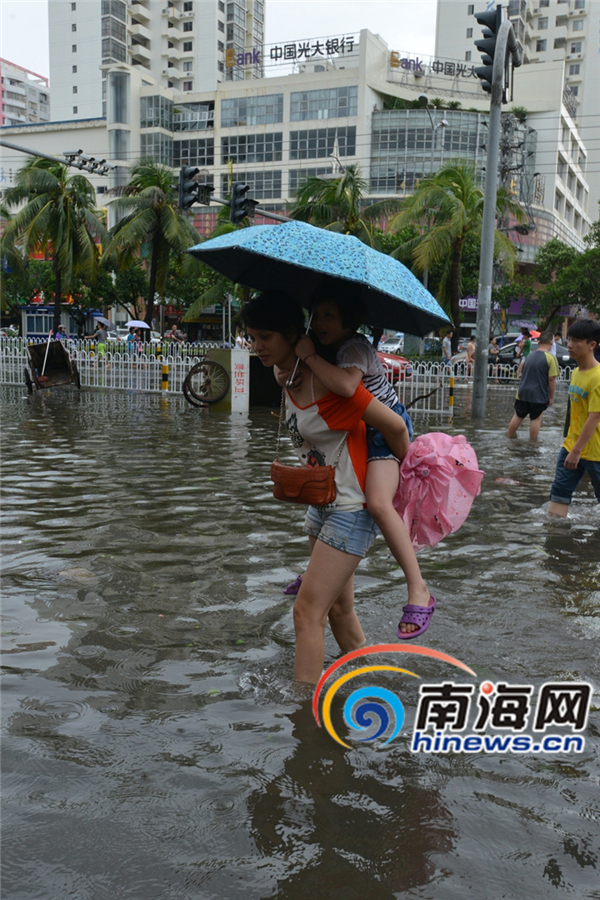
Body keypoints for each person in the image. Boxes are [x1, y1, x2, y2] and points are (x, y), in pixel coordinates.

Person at [242, 291, 435, 685]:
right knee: (337, 611)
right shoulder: (289, 375)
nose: (256, 346)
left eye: (265, 337)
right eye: (251, 336)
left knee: (306, 611)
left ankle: (305, 717)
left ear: (293, 335)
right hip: (324, 503)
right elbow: (287, 375)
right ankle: (375, 683)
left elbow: (395, 427)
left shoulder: (334, 383)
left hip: (352, 507)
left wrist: (405, 469)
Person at [548, 319, 600, 517]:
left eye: (576, 340)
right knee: (559, 492)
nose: (569, 344)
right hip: (571, 445)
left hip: (595, 451)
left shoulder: (598, 377)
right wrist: (572, 447)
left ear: (591, 345)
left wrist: (577, 451)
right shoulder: (576, 372)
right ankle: (553, 539)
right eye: (569, 339)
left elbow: (594, 418)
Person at [506, 330, 559, 440]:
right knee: (536, 418)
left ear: (538, 342)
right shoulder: (551, 358)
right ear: (552, 343)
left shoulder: (529, 356)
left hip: (522, 393)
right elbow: (552, 379)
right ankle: (532, 444)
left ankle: (509, 437)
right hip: (538, 395)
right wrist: (551, 397)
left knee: (518, 415)